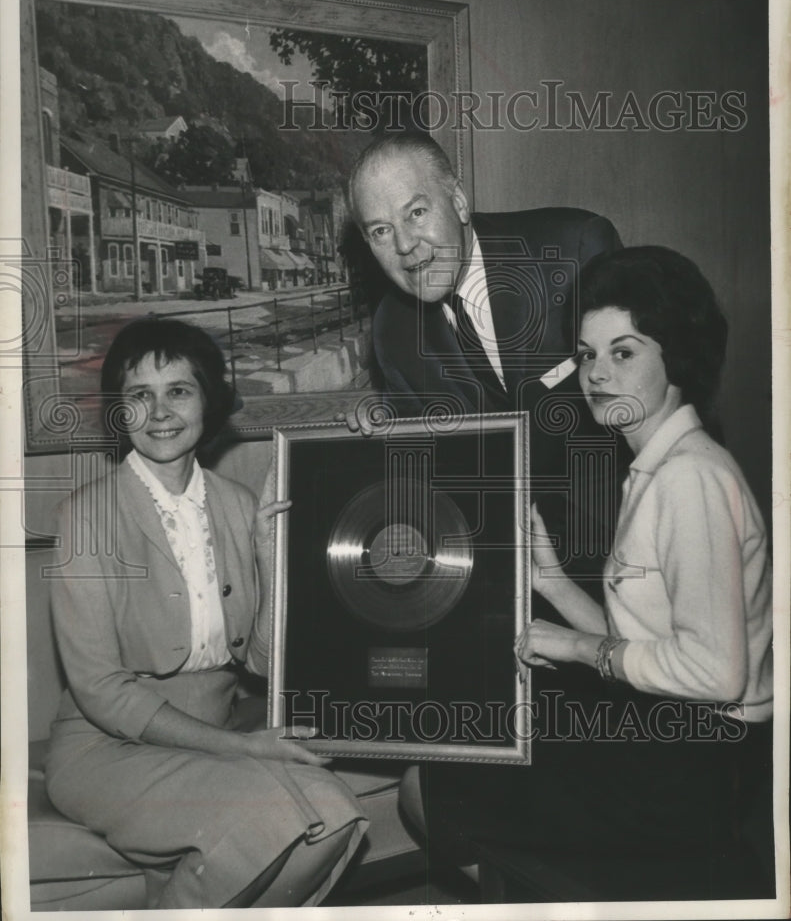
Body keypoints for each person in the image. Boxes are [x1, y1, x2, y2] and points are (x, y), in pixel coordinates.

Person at [405, 247, 774, 898]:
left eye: (622, 352)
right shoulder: (656, 466)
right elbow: (649, 642)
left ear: (676, 355)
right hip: (665, 741)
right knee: (469, 746)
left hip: (689, 771)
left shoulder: (689, 478)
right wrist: (549, 582)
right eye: (585, 354)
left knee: (438, 784)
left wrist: (576, 648)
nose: (597, 374)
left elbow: (716, 673)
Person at [45, 317, 368, 909]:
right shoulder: (85, 518)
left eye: (178, 390)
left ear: (207, 401)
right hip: (107, 749)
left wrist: (270, 559)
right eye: (139, 395)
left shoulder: (240, 504)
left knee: (336, 816)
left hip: (210, 737)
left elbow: (265, 663)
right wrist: (244, 749)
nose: (160, 411)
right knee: (279, 815)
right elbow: (100, 689)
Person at [346, 130, 624, 584]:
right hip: (509, 571)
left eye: (416, 212)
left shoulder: (574, 251)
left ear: (457, 200)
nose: (404, 245)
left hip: (631, 543)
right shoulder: (392, 332)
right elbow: (437, 476)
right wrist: (379, 444)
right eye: (380, 231)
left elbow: (655, 399)